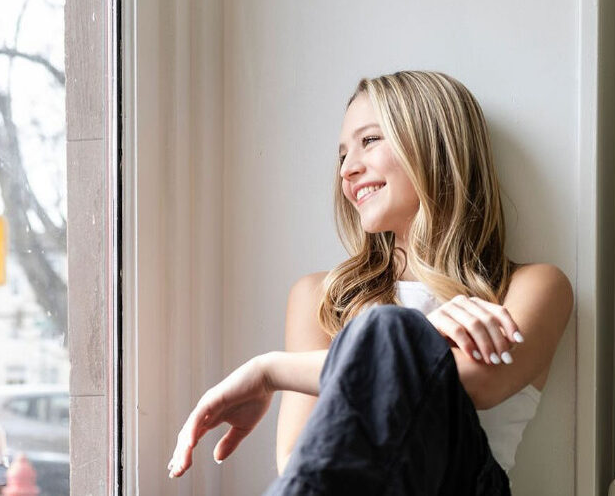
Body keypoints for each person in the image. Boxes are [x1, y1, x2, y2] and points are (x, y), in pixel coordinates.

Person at [166, 71, 573, 494]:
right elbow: (301, 458)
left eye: (370, 140)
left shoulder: (532, 285)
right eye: (343, 155)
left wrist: (270, 371)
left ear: (435, 146)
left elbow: (485, 383)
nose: (347, 169)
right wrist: (424, 333)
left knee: (388, 327)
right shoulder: (321, 298)